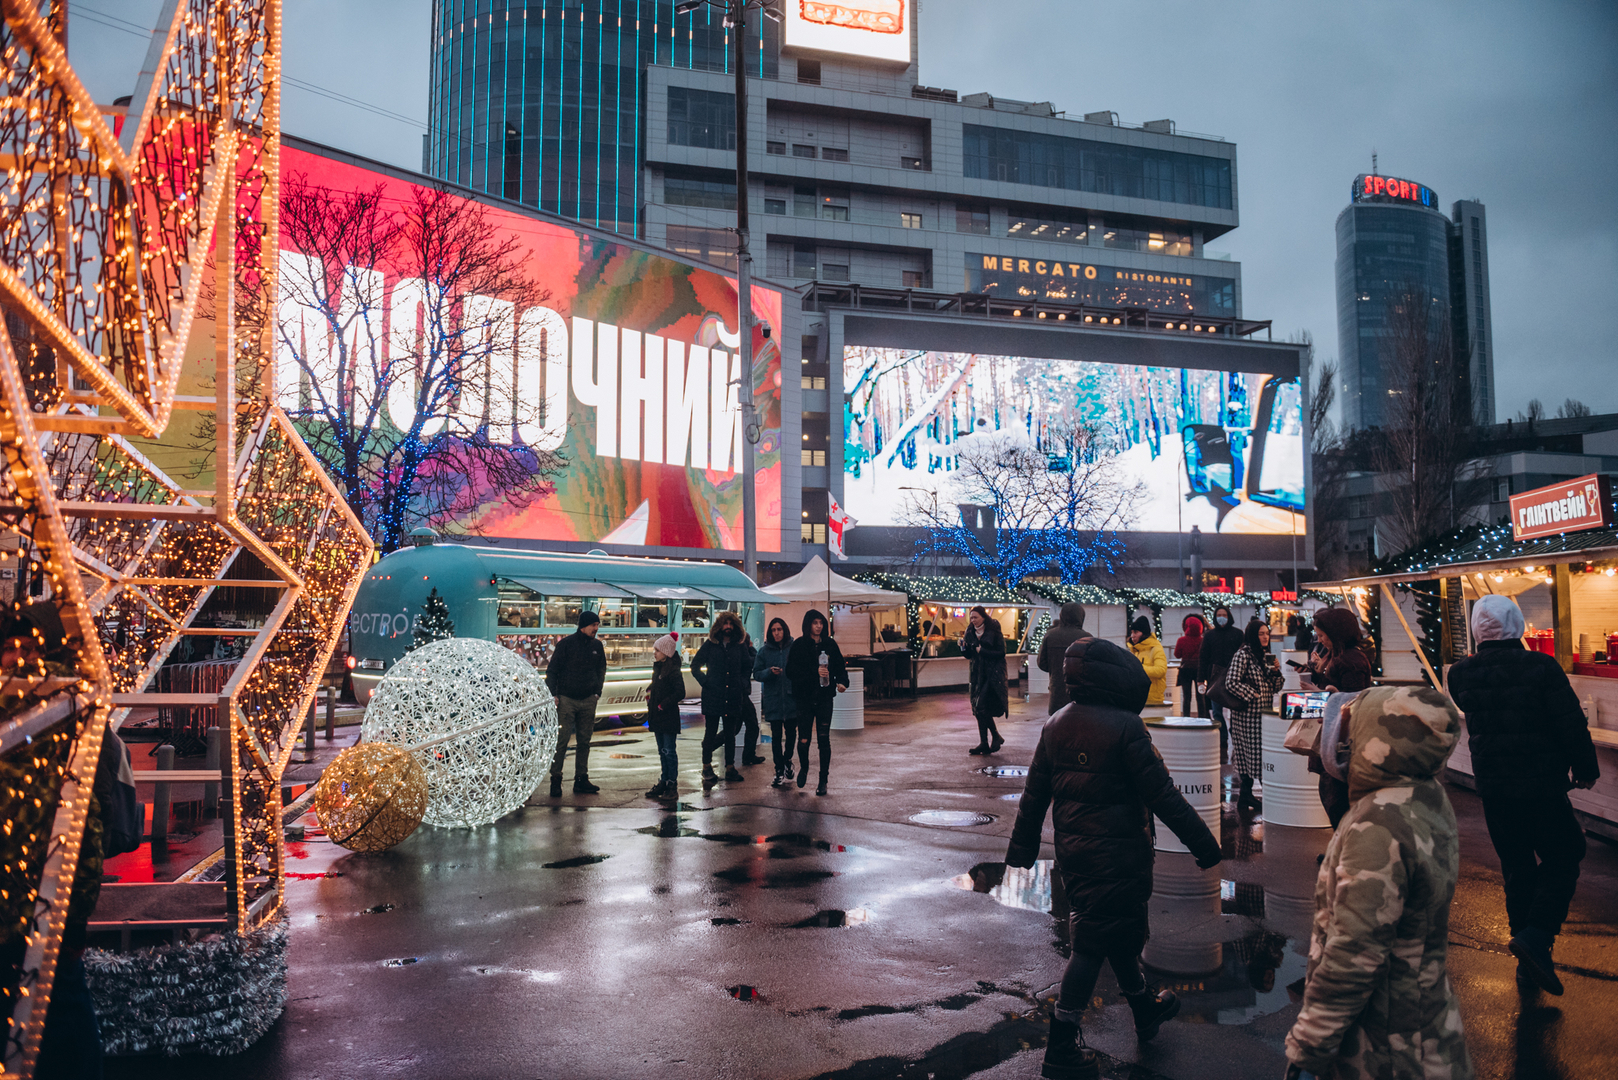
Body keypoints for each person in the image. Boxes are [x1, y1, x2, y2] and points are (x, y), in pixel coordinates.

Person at [1006, 637, 1222, 1079]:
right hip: (1120, 854)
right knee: (1090, 945)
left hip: (1076, 854)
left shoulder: (1056, 724)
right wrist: (1204, 846)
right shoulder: (1126, 727)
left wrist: (1023, 850)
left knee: (1113, 929)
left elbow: (1034, 797)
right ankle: (1061, 1044)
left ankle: (1144, 1009)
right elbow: (1162, 794)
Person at [1284, 686, 1472, 1080]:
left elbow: (1354, 952)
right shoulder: (1424, 796)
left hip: (1386, 1046)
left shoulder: (1378, 824)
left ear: (1376, 741)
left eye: (1349, 737)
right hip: (1425, 1026)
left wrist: (1309, 1045)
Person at [1446, 594, 1599, 997]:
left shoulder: (1461, 674)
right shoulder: (1542, 668)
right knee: (1566, 854)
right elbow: (1570, 724)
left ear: (1478, 628)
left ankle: (1528, 961)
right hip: (1542, 785)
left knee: (1517, 869)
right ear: (1517, 624)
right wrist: (1585, 770)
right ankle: (1537, 935)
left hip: (1494, 789)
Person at [1300, 606, 1373, 828]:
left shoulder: (1351, 661)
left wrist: (1324, 694)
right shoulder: (1339, 657)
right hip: (1335, 737)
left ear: (1337, 633)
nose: (1320, 641)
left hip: (1341, 743)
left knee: (1336, 799)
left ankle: (1345, 850)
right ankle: (1341, 847)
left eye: (1323, 635)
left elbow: (1353, 701)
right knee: (1332, 797)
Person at [1222, 619, 1284, 813]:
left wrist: (1275, 672)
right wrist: (1252, 694)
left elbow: (1276, 687)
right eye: (1261, 634)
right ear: (1252, 635)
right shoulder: (1243, 655)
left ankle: (1246, 796)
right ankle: (1251, 795)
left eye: (1267, 633)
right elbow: (1231, 682)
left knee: (1257, 755)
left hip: (1262, 715)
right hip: (1246, 716)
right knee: (1250, 755)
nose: (1265, 637)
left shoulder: (1264, 655)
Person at [786, 608, 848, 795]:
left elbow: (839, 666)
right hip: (804, 699)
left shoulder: (830, 645)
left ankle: (823, 780)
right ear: (808, 625)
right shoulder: (799, 645)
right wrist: (814, 673)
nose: (819, 626)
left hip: (824, 698)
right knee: (804, 739)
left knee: (824, 739)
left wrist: (843, 682)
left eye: (821, 623)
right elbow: (791, 672)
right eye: (815, 623)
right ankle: (804, 767)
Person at [544, 610, 606, 796]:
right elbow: (552, 670)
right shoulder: (566, 645)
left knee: (584, 741)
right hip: (567, 699)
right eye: (593, 625)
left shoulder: (597, 646)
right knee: (561, 741)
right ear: (583, 626)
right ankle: (556, 779)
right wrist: (554, 694)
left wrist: (597, 692)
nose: (596, 628)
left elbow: (601, 669)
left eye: (597, 625)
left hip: (588, 699)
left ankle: (581, 778)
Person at [691, 611, 756, 787]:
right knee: (710, 732)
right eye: (725, 624)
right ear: (719, 626)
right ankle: (706, 766)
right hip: (713, 695)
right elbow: (695, 665)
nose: (728, 627)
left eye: (731, 624)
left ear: (735, 626)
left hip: (733, 695)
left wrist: (742, 683)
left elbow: (746, 666)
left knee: (730, 733)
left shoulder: (739, 646)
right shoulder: (710, 645)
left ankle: (730, 767)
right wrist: (706, 682)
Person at [1196, 603, 1244, 765]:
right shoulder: (1209, 636)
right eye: (1218, 615)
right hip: (1214, 677)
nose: (1221, 617)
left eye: (1224, 614)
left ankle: (1235, 735)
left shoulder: (1238, 634)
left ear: (1228, 616)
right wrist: (1200, 678)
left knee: (1234, 708)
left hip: (1234, 677)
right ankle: (1222, 737)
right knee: (1216, 711)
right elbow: (1203, 658)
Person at [753, 617, 798, 788]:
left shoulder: (793, 648)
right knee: (776, 737)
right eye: (773, 630)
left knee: (792, 734)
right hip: (774, 700)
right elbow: (756, 673)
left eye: (779, 629)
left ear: (784, 630)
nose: (777, 633)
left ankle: (787, 759)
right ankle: (779, 769)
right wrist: (769, 672)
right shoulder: (764, 651)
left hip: (791, 698)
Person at [643, 633, 685, 800]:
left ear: (666, 652)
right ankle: (665, 780)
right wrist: (650, 691)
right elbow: (657, 686)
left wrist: (663, 704)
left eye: (657, 650)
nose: (655, 653)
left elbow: (680, 692)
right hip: (658, 716)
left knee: (668, 751)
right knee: (663, 751)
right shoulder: (659, 669)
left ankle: (671, 784)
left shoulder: (673, 671)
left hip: (667, 717)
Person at [963, 606, 1008, 756]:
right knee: (978, 709)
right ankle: (985, 741)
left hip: (993, 674)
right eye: (971, 617)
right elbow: (970, 655)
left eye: (975, 617)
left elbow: (1001, 653)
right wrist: (964, 649)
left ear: (983, 617)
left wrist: (981, 650)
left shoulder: (993, 630)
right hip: (977, 674)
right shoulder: (970, 632)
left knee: (980, 705)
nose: (973, 620)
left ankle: (994, 736)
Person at [1037, 603, 1092, 716]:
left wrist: (1055, 670)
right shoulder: (1086, 638)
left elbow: (1042, 663)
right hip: (1079, 694)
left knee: (1056, 727)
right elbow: (1090, 667)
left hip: (1056, 691)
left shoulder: (1050, 636)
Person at [1127, 616, 1168, 709]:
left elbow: (1161, 670)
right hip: (1137, 698)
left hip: (1153, 700)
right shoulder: (1135, 650)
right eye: (1131, 632)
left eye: (1136, 632)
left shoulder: (1156, 649)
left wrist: (1138, 668)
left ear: (1144, 633)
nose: (1132, 635)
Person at [1172, 613, 1206, 718]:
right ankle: (1202, 717)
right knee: (1200, 696)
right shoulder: (1203, 640)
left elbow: (1177, 655)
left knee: (1186, 697)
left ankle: (1186, 717)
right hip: (1199, 670)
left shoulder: (1181, 640)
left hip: (1185, 670)